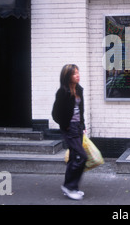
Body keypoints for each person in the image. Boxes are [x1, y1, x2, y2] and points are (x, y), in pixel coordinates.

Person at [52, 64, 87, 200]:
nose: (78, 75)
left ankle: (71, 187)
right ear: (67, 76)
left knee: (74, 157)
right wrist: (65, 125)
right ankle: (69, 186)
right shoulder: (63, 92)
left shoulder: (78, 89)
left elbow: (81, 110)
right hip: (69, 128)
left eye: (78, 73)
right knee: (82, 156)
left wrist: (82, 124)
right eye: (74, 74)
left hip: (77, 127)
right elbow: (55, 113)